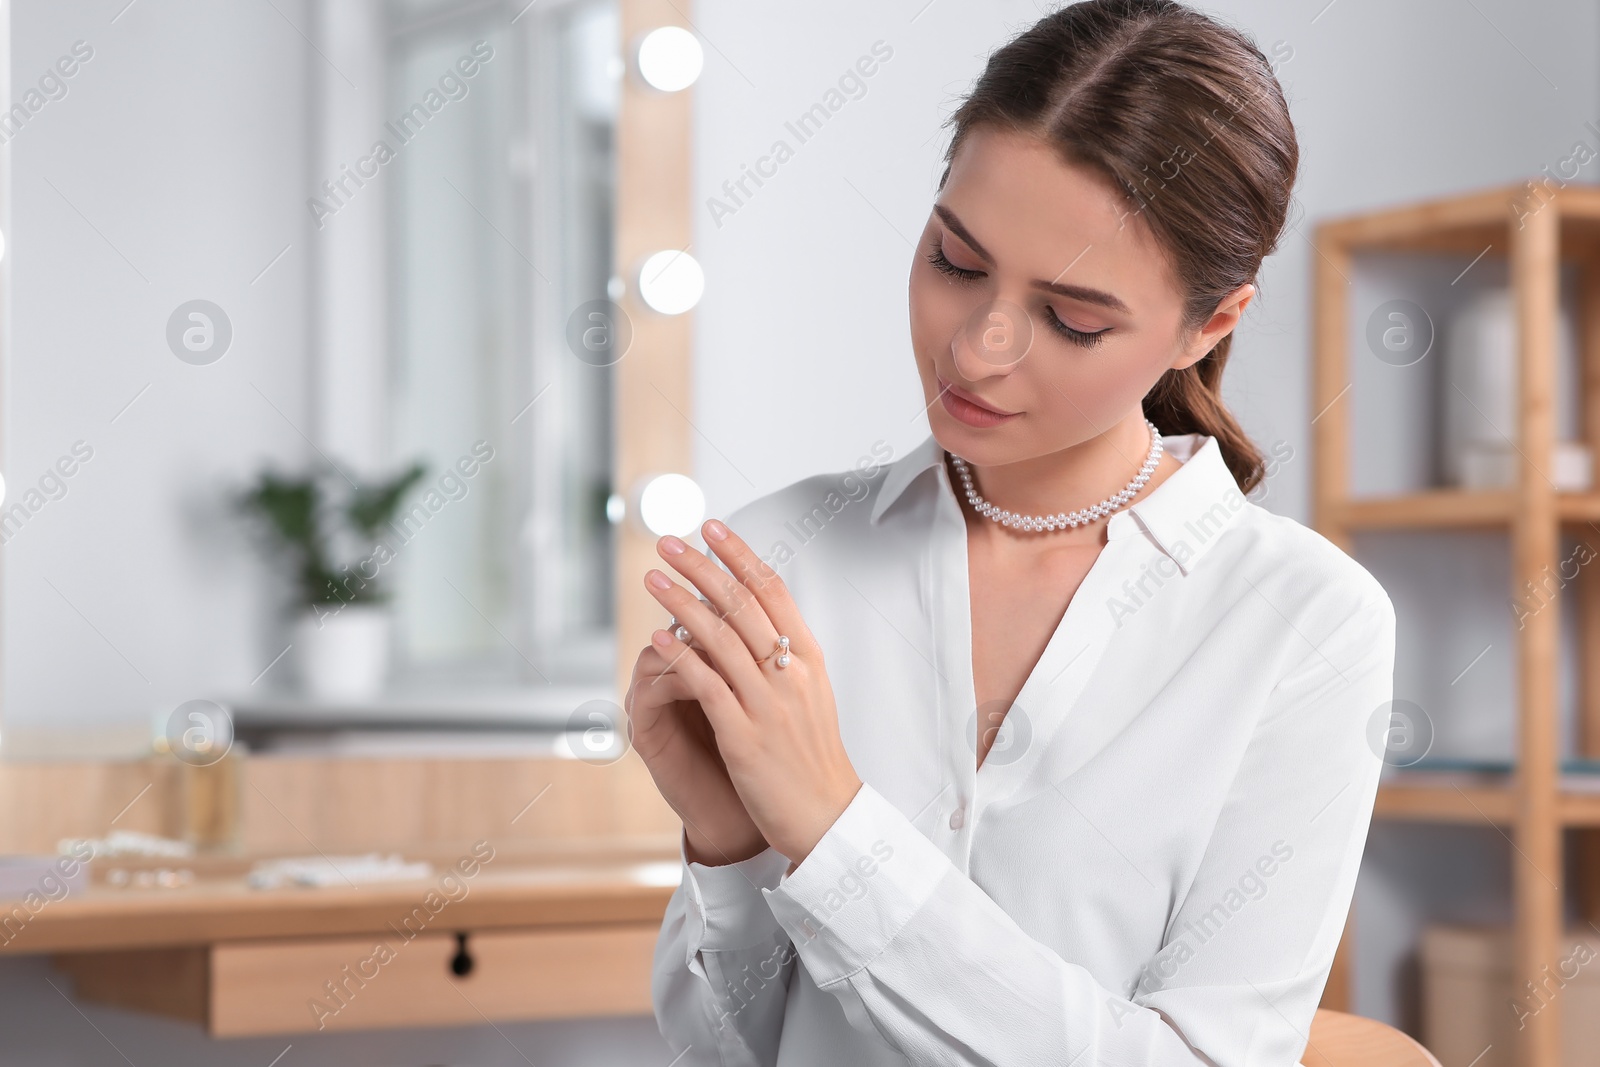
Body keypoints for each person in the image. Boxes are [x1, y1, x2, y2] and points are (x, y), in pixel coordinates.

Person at [627, 1, 1396, 1063]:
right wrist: (731, 843)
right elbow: (727, 1051)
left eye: (1072, 317)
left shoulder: (1304, 624)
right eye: (954, 258)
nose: (979, 347)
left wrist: (832, 826)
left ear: (1208, 325)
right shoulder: (782, 557)